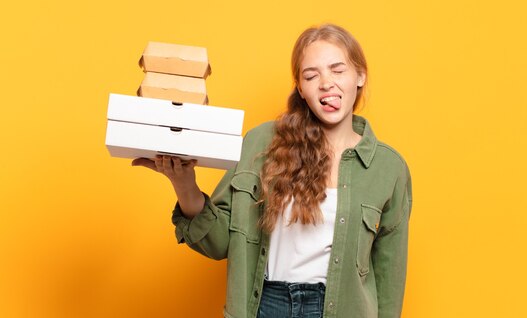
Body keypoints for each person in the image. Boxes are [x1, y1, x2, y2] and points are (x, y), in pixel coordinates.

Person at [133, 23, 412, 318]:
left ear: (360, 76)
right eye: (311, 75)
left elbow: (389, 279)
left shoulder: (388, 169)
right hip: (266, 306)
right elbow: (218, 243)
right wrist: (184, 183)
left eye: (337, 70)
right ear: (301, 89)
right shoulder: (261, 144)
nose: (326, 82)